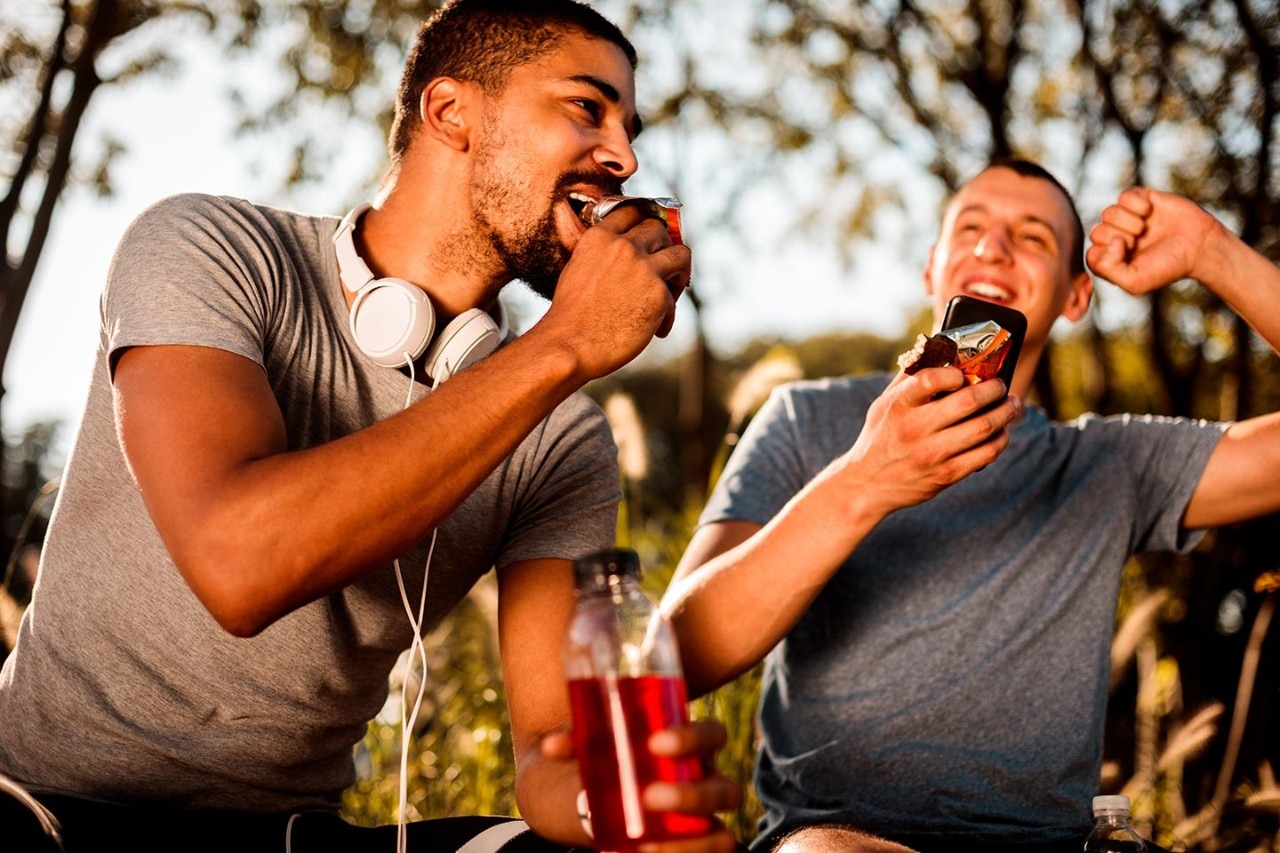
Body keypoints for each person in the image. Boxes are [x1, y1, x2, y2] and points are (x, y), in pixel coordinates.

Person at [0, 2, 740, 851]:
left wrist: (614, 811)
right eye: (587, 108)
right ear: (450, 112)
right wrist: (564, 343)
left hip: (290, 836)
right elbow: (240, 565)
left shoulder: (560, 437)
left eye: (628, 125)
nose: (624, 157)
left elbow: (551, 752)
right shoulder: (208, 248)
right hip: (41, 809)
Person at [661, 158, 1280, 853]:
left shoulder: (1112, 463)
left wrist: (1211, 252)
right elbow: (672, 657)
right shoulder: (806, 421)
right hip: (839, 844)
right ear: (933, 267)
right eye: (973, 228)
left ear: (1078, 295)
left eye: (1034, 237)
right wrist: (864, 481)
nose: (994, 247)